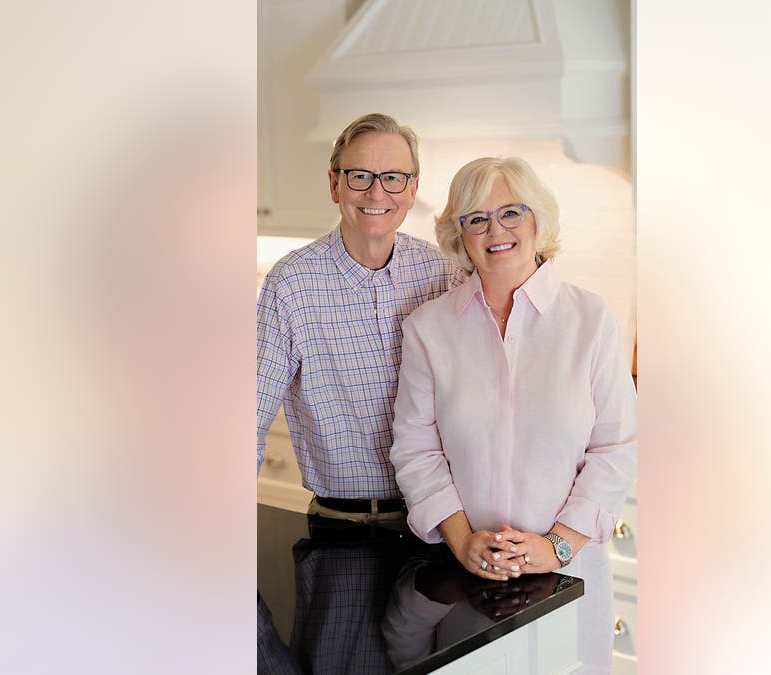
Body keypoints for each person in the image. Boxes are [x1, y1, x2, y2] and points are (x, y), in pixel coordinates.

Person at [389, 156, 637, 672]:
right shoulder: (428, 329)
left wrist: (558, 546)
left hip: (568, 580)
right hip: (468, 587)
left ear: (537, 220)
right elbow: (416, 449)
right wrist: (463, 541)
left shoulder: (591, 321)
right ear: (459, 234)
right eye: (476, 218)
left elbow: (616, 448)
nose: (495, 230)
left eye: (510, 213)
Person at [256, 113, 463, 524]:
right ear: (335, 184)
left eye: (393, 177)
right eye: (360, 176)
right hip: (341, 522)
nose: (376, 192)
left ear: (412, 189)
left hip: (445, 520)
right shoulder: (292, 284)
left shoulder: (443, 273)